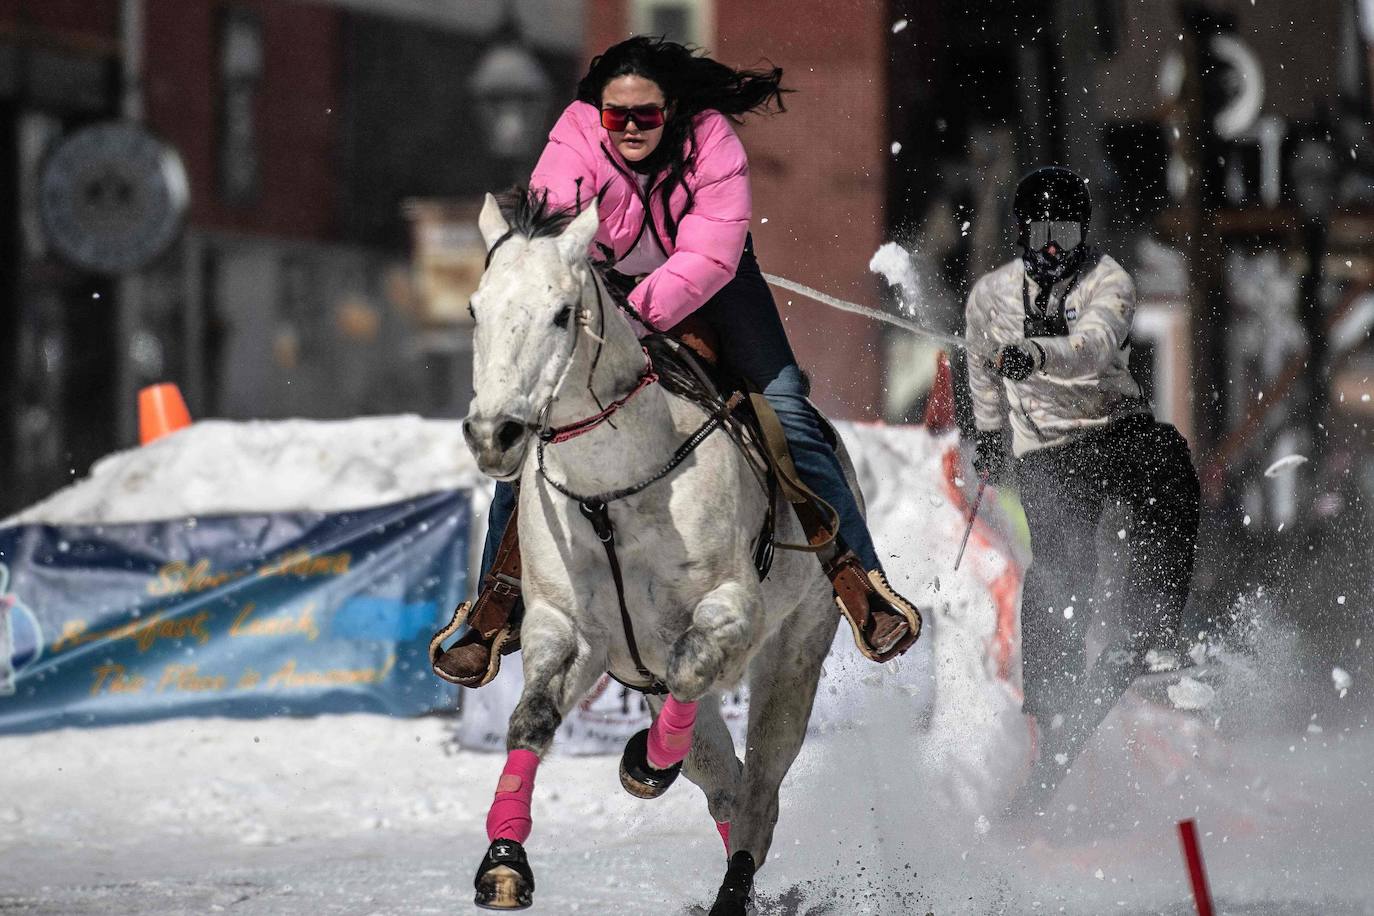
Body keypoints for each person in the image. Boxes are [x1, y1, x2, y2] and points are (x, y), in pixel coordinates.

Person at [434, 36, 921, 688]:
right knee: (533, 425)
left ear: (672, 112)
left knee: (788, 410)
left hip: (714, 285)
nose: (630, 128)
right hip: (600, 291)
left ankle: (858, 580)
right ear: (596, 113)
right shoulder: (571, 138)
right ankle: (498, 601)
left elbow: (709, 258)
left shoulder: (712, 139)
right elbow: (551, 245)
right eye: (617, 116)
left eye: (646, 116)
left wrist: (634, 320)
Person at [964, 166, 1202, 814]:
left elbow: (1095, 347)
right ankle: (1054, 692)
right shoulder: (991, 295)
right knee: (1061, 569)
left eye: (1063, 232)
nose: (1050, 247)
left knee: (1170, 465)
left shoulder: (1108, 281)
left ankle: (1152, 625)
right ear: (1020, 232)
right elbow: (981, 368)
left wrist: (1037, 355)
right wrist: (990, 434)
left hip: (1111, 427)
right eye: (1039, 232)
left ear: (1082, 233)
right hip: (1049, 451)